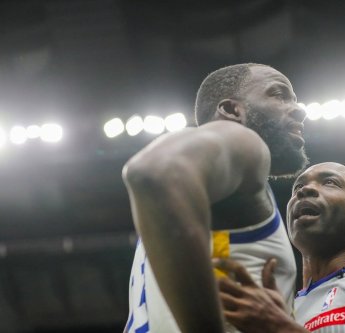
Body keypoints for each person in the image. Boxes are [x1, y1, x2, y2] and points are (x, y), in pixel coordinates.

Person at [122, 63, 308, 332]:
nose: (299, 109)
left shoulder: (178, 222)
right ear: (233, 110)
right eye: (279, 94)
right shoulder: (245, 142)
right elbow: (156, 171)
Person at [217, 162, 345, 333]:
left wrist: (280, 328)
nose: (304, 190)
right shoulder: (275, 306)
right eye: (298, 186)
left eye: (330, 182)